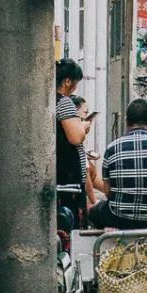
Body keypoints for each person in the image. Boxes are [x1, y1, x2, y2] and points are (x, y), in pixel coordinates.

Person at [89, 98, 147, 228]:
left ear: (126, 122)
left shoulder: (112, 148)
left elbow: (108, 192)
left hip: (117, 219)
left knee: (93, 212)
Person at [55, 60, 88, 201]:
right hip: (68, 173)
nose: (76, 86)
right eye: (76, 81)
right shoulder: (64, 101)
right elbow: (75, 137)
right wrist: (83, 127)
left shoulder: (50, 99)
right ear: (67, 81)